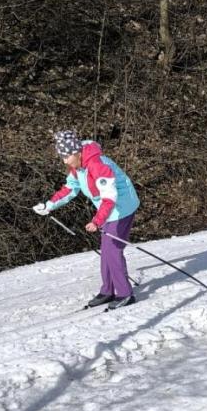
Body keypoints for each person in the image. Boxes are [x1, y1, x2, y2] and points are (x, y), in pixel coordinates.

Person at [33, 129, 140, 310]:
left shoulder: (97, 165)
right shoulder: (78, 168)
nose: (64, 161)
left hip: (122, 208)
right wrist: (48, 205)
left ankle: (124, 294)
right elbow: (70, 189)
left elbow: (109, 197)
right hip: (108, 210)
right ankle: (107, 290)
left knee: (112, 250)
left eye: (66, 157)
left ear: (76, 152)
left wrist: (97, 221)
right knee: (106, 250)